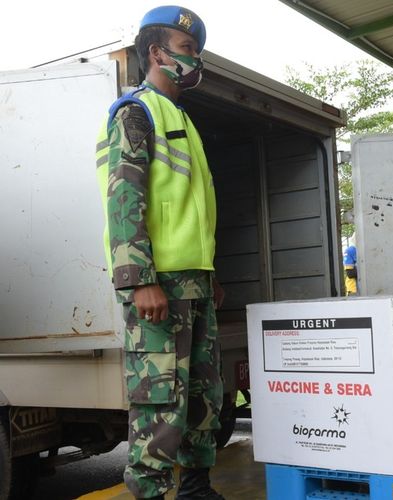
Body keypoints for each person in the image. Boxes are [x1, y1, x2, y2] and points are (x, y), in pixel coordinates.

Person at [94, 6, 224, 499]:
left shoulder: (183, 119)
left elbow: (193, 209)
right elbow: (124, 198)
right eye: (188, 50)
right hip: (159, 282)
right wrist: (139, 277)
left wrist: (210, 273)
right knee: (160, 400)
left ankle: (196, 488)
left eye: (196, 52)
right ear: (157, 52)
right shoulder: (137, 111)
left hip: (194, 278)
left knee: (202, 396)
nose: (195, 61)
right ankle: (149, 493)